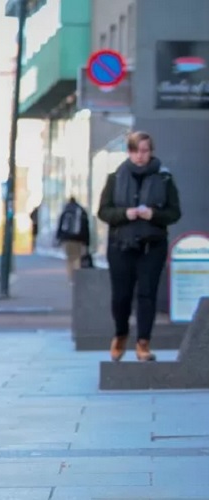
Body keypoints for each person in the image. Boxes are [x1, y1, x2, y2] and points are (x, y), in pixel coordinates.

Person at [97, 131, 181, 363]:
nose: (140, 156)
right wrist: (125, 213)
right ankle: (121, 334)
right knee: (121, 297)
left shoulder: (164, 178)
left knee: (147, 294)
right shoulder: (116, 178)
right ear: (129, 152)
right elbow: (103, 211)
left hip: (151, 245)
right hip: (121, 244)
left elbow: (175, 213)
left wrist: (153, 214)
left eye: (144, 151)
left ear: (151, 151)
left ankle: (143, 343)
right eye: (135, 151)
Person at [55, 196, 90, 282]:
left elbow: (60, 225)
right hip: (78, 239)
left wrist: (59, 238)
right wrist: (86, 242)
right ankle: (76, 277)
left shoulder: (65, 210)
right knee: (77, 258)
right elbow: (86, 227)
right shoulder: (81, 210)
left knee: (69, 259)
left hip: (67, 239)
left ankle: (70, 277)